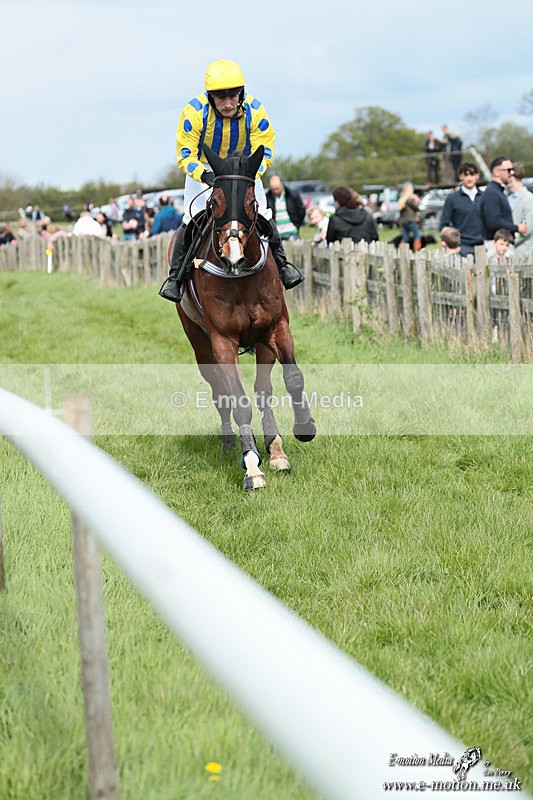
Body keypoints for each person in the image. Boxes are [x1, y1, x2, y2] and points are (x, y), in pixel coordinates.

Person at [159, 59, 302, 302]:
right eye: (220, 98)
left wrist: (250, 173)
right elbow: (185, 154)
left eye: (233, 97)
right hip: (206, 169)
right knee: (190, 219)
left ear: (241, 94)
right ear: (210, 97)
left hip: (243, 167)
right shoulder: (194, 112)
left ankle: (283, 267)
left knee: (264, 214)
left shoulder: (256, 111)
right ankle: (175, 279)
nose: (227, 104)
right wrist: (203, 175)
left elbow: (264, 149)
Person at [479, 156, 527, 245]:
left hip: (502, 246)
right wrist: (517, 228)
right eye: (508, 170)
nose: (511, 173)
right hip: (495, 247)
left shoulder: (498, 191)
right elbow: (493, 222)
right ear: (497, 172)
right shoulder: (492, 193)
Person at [439, 162, 484, 257]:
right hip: (462, 246)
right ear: (460, 176)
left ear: (477, 176)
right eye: (466, 175)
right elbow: (444, 224)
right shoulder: (452, 199)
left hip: (483, 245)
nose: (469, 178)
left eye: (472, 174)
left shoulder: (485, 197)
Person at [265, 175, 306, 240]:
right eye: (273, 189)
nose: (275, 191)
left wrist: (297, 225)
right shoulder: (267, 198)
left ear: (281, 184)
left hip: (292, 231)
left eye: (277, 188)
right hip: (277, 233)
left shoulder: (292, 195)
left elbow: (301, 211)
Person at [506, 163, 533, 252]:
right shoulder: (507, 198)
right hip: (509, 249)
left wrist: (509, 242)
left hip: (524, 249)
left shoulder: (528, 198)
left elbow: (527, 227)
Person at [397, 182, 422, 251]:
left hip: (404, 221)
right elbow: (416, 207)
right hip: (411, 220)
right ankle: (417, 251)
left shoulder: (402, 199)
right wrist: (417, 200)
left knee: (405, 237)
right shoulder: (409, 199)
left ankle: (400, 250)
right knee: (417, 235)